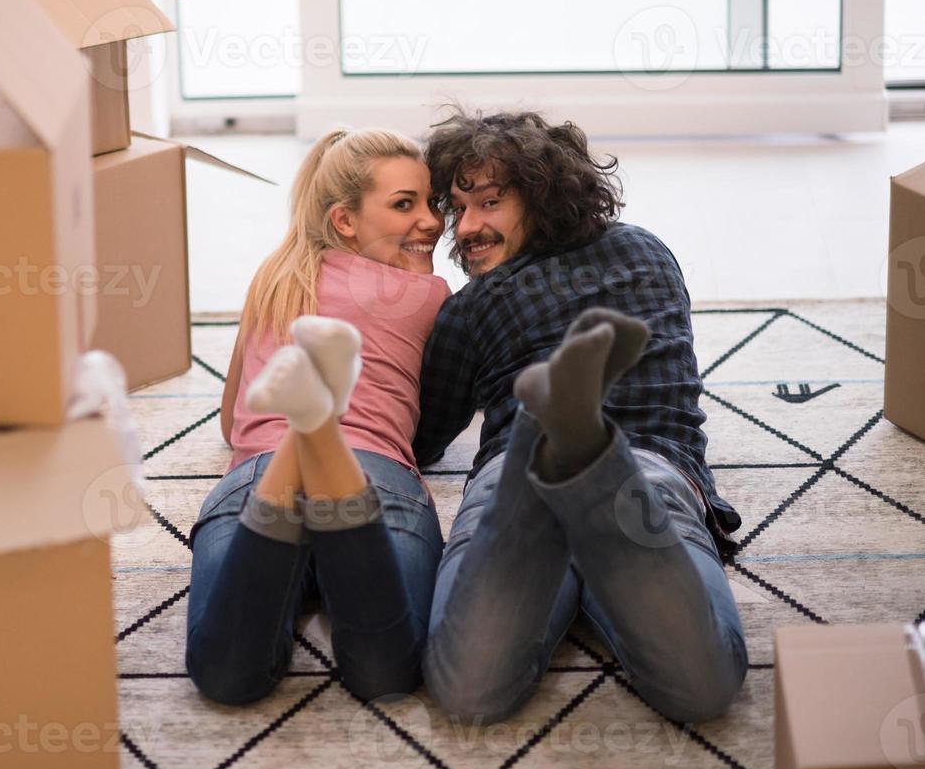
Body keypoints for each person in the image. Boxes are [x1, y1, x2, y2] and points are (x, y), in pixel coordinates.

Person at [415, 109, 747, 725]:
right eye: (457, 210)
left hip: (515, 484)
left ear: (542, 196)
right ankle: (584, 448)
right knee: (705, 689)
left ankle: (549, 444)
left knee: (468, 692)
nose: (467, 228)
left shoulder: (470, 308)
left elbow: (424, 440)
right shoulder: (647, 252)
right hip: (647, 471)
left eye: (488, 202)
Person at [186, 127, 450, 704]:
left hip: (257, 474)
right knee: (386, 674)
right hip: (375, 474)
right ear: (345, 220)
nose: (431, 220)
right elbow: (437, 421)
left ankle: (305, 430)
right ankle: (319, 431)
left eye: (433, 203)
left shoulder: (277, 277)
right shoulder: (430, 294)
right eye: (405, 205)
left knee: (228, 675)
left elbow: (233, 420)